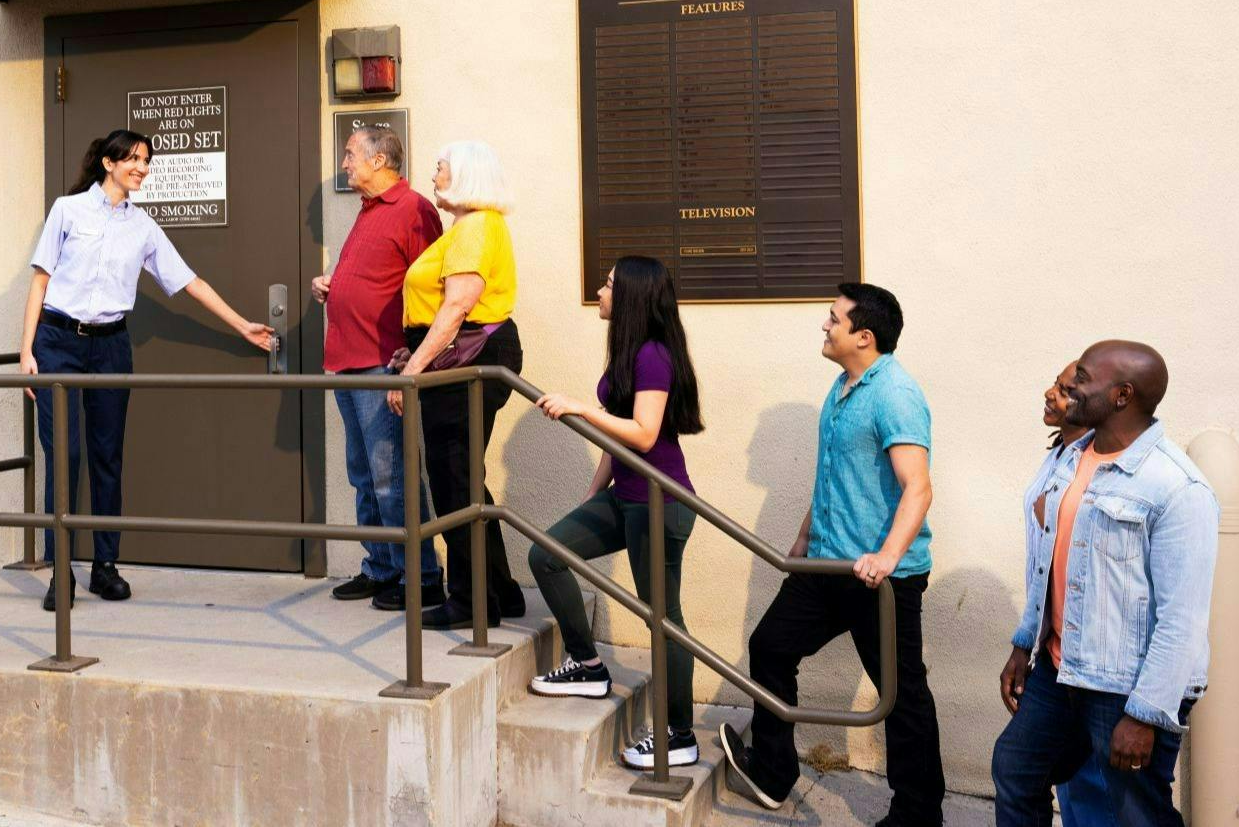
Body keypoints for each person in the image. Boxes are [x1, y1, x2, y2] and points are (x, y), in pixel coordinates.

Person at [20, 129, 274, 611]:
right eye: (134, 159)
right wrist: (26, 351)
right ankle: (60, 570)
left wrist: (242, 325)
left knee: (107, 456)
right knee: (64, 455)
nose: (142, 168)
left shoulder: (143, 227)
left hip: (111, 346)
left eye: (146, 161)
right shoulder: (68, 210)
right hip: (58, 343)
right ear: (109, 163)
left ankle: (105, 566)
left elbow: (190, 282)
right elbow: (40, 281)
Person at [720, 282, 945, 825]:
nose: (824, 325)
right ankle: (773, 773)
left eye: (833, 318)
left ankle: (918, 815)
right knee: (770, 647)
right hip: (825, 563)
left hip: (880, 579)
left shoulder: (895, 393)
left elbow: (918, 487)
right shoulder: (842, 387)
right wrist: (804, 538)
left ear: (863, 336)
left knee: (902, 695)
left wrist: (886, 557)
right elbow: (834, 477)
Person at [991, 341, 1218, 827]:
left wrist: (1144, 715)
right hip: (1060, 668)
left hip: (1126, 685)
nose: (1070, 385)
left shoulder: (1178, 487)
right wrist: (1024, 644)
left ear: (1122, 396)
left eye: (1083, 378)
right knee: (1016, 770)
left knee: (1136, 813)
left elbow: (1182, 619)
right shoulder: (1068, 459)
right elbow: (1046, 565)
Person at [526, 256, 707, 771]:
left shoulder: (653, 355)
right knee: (547, 554)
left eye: (607, 285)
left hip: (660, 503)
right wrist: (593, 494)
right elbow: (619, 432)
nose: (600, 291)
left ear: (629, 296)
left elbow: (644, 434)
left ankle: (679, 734)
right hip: (624, 496)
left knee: (663, 618)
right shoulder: (629, 350)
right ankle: (587, 664)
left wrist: (582, 408)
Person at [386, 140, 526, 630]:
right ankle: (500, 590)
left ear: (466, 173)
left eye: (441, 167)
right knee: (464, 477)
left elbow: (456, 308)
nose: (434, 174)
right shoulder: (472, 227)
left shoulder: (475, 227)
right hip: (463, 356)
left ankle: (471, 601)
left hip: (469, 360)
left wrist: (413, 369)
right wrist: (415, 352)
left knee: (454, 480)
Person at [312, 126, 446, 610]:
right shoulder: (367, 210)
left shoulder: (413, 210)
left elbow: (432, 287)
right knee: (363, 475)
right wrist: (333, 286)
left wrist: (413, 355)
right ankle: (382, 567)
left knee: (392, 475)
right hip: (347, 362)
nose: (345, 163)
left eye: (351, 154)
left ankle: (421, 575)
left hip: (382, 363)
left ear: (379, 160)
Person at [1015, 361, 1112, 824]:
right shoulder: (1062, 453)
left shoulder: (1099, 466)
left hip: (1090, 661)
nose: (1049, 393)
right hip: (1055, 651)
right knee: (1061, 779)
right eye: (1055, 384)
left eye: (1065, 389)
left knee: (1092, 786)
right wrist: (1026, 642)